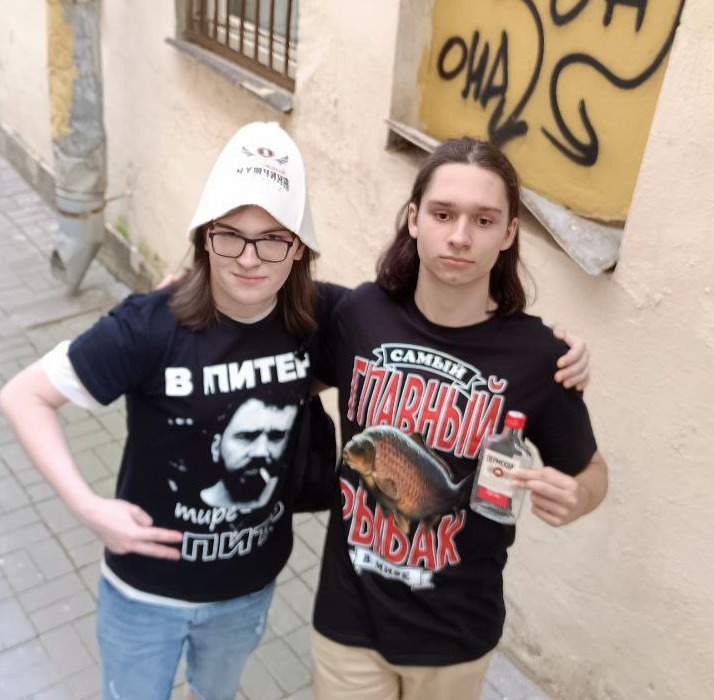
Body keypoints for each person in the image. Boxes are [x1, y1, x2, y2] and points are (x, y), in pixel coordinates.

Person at [0, 121, 324, 700]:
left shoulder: (315, 321)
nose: (249, 258)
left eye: (273, 238)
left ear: (298, 247)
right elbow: (24, 395)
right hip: (144, 594)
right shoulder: (150, 326)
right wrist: (86, 507)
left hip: (248, 588)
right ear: (205, 236)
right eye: (230, 236)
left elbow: (404, 320)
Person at [310, 137, 609, 700]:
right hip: (349, 620)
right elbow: (279, 361)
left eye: (484, 220)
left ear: (509, 233)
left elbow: (592, 472)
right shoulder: (361, 315)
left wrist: (579, 497)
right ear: (414, 219)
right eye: (443, 214)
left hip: (454, 636)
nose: (460, 236)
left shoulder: (540, 357)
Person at [200, 397, 298, 509]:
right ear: (216, 447)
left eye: (276, 436)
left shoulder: (287, 492)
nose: (261, 452)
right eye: (246, 437)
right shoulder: (189, 506)